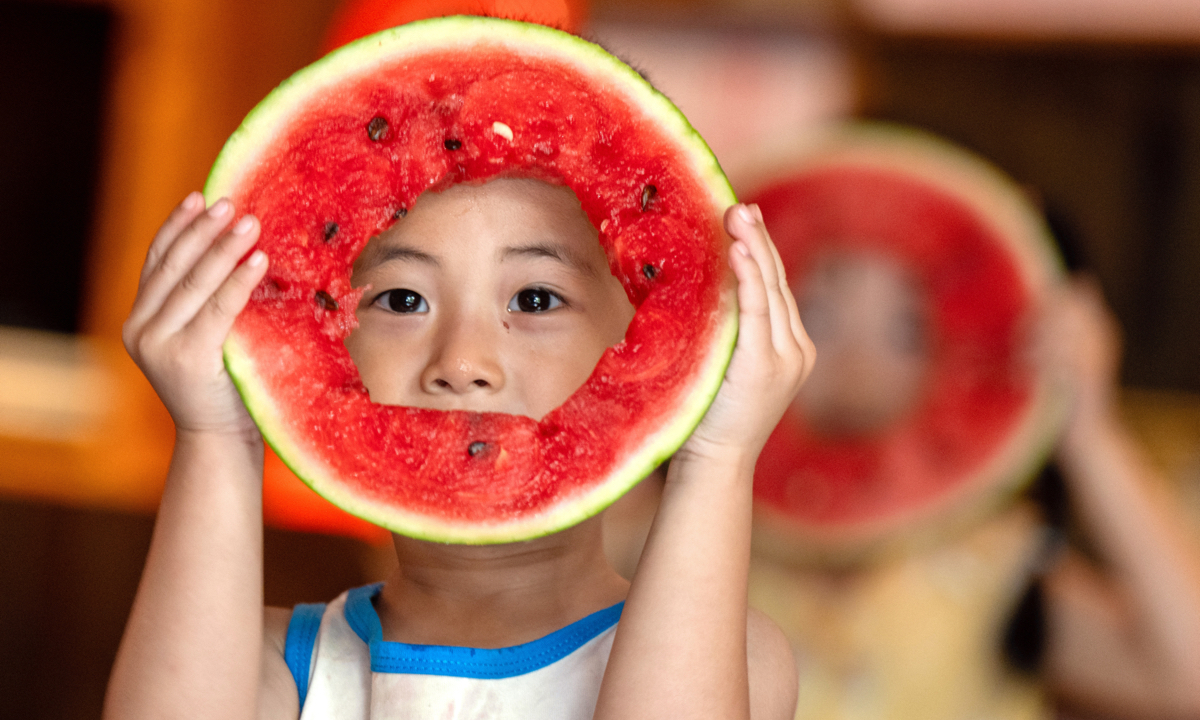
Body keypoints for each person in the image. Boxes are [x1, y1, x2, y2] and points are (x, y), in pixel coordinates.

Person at [103, 177, 815, 719]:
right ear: (327, 349)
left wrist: (715, 456)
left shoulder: (737, 659)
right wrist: (216, 431)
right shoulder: (269, 668)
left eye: (536, 299)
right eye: (403, 300)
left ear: (643, 348)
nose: (464, 361)